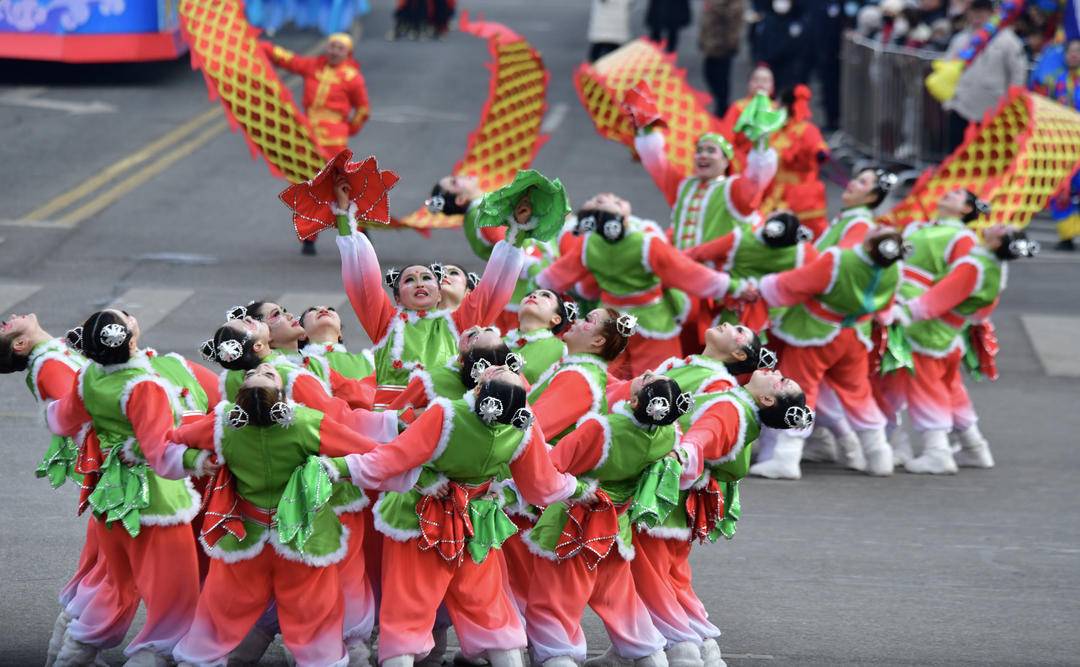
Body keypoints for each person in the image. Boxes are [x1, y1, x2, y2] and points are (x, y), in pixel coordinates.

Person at [332, 365, 587, 666]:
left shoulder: (447, 414)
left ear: (479, 388)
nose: (505, 364)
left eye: (504, 369)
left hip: (421, 521)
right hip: (475, 523)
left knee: (408, 608)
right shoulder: (521, 429)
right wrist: (577, 487)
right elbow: (541, 485)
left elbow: (392, 459)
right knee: (488, 608)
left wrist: (340, 468)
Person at [170, 364, 407, 666]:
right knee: (314, 615)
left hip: (245, 536)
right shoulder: (306, 422)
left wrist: (196, 459)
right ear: (282, 395)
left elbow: (172, 440)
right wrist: (343, 469)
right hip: (303, 539)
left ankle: (200, 659)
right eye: (265, 374)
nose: (266, 366)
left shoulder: (222, 424)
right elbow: (373, 453)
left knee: (219, 611)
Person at [45, 310, 204, 665]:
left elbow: (62, 418)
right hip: (157, 503)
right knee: (175, 603)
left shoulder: (88, 377)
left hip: (109, 496)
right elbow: (159, 452)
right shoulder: (144, 385)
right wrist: (199, 458)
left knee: (114, 587)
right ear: (130, 340)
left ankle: (68, 655)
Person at [632, 370, 810, 667]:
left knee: (652, 577)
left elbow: (700, 439)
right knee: (672, 577)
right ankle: (701, 647)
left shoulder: (732, 409)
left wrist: (680, 456)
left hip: (666, 499)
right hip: (683, 500)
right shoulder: (741, 410)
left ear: (766, 399)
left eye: (781, 381)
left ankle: (682, 650)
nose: (776, 371)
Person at [523, 374, 693, 667]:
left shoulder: (603, 429)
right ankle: (648, 653)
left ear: (635, 400)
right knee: (618, 595)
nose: (648, 373)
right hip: (617, 525)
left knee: (556, 595)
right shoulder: (668, 434)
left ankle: (557, 656)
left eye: (649, 379)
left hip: (575, 522)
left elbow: (550, 468)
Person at [749, 228, 907, 479]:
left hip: (816, 333)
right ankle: (879, 455)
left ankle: (786, 458)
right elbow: (886, 306)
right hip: (855, 336)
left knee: (797, 390)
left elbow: (794, 283)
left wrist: (764, 286)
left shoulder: (839, 260)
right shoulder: (894, 269)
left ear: (869, 245)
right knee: (858, 393)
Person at [886, 225, 1038, 474]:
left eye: (1003, 229)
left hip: (930, 332)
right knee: (951, 390)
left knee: (926, 390)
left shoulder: (975, 265)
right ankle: (974, 447)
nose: (998, 223)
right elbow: (980, 313)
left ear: (997, 241)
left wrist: (903, 312)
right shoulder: (997, 269)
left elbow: (938, 299)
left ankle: (937, 452)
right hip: (952, 332)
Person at [535, 193, 739, 376]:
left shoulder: (588, 245)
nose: (611, 197)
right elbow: (687, 272)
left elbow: (555, 278)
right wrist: (732, 286)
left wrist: (534, 279)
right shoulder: (646, 243)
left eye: (615, 199)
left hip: (608, 321)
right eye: (603, 201)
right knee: (659, 376)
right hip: (653, 320)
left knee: (604, 374)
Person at [260, 32, 370, 255]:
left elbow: (362, 109)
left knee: (341, 188)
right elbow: (286, 59)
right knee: (309, 188)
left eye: (339, 48)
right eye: (331, 46)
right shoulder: (313, 67)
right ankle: (309, 238)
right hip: (309, 139)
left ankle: (361, 230)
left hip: (335, 142)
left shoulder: (352, 77)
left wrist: (349, 128)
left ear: (347, 53)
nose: (333, 51)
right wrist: (258, 45)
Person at [942, 0, 1028, 152]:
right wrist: (948, 103)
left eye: (982, 12)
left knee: (987, 157)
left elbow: (1018, 75)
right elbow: (946, 71)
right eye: (974, 12)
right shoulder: (960, 40)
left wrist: (1011, 106)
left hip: (994, 112)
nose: (977, 16)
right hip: (961, 107)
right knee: (956, 154)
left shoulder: (1008, 40)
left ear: (991, 13)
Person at [760, 86, 831, 238]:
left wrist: (819, 154)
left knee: (807, 234)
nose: (775, 106)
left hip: (801, 196)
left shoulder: (807, 129)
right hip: (775, 192)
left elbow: (817, 147)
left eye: (778, 103)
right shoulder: (774, 130)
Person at [1030, 39, 1080, 250]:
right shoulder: (1053, 80)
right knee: (1060, 189)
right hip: (1060, 144)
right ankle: (1067, 235)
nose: (1074, 55)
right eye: (1071, 51)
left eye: (1078, 52)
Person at [816, 167, 897, 251]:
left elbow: (840, 261)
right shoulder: (848, 216)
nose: (852, 183)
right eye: (856, 178)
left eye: (862, 182)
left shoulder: (861, 225)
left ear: (872, 197)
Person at [699, 0, 746, 115]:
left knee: (721, 79)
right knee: (709, 73)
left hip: (723, 44)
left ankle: (723, 108)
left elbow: (733, 18)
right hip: (711, 43)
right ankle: (720, 104)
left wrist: (715, 6)